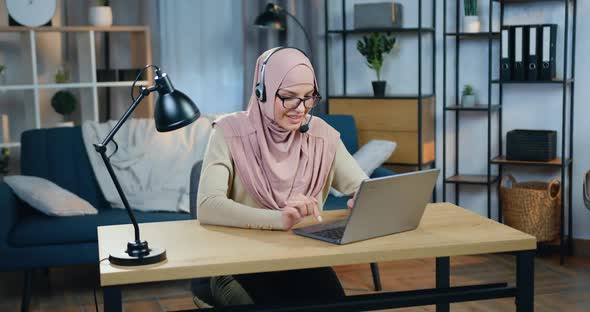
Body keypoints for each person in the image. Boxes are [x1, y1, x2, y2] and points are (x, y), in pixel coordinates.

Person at [196, 47, 368, 307]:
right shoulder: (228, 132)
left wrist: (365, 199)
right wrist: (279, 219)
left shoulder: (322, 135)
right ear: (262, 92)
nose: (301, 109)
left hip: (303, 260)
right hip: (237, 263)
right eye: (289, 97)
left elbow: (364, 187)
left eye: (309, 97)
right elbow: (208, 206)